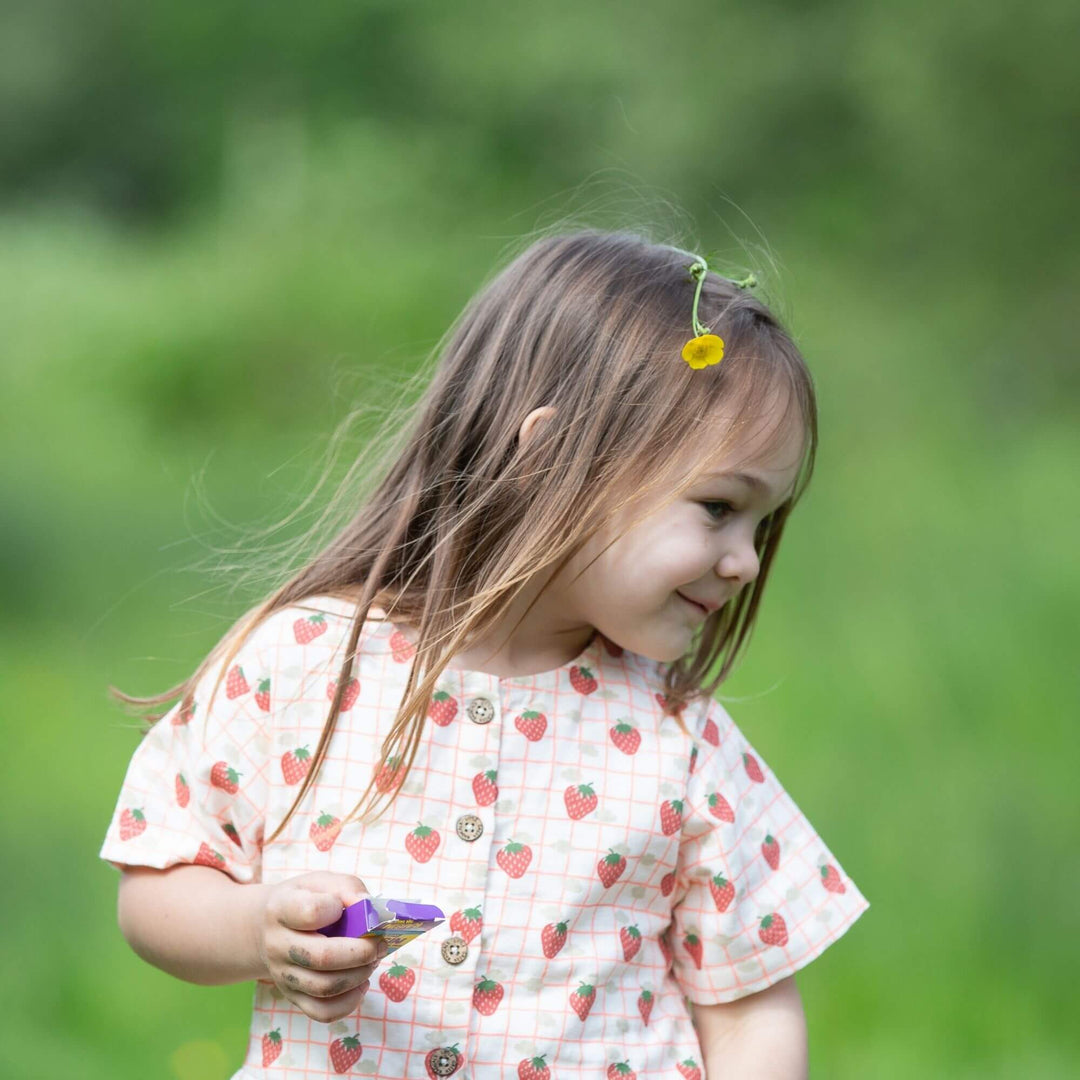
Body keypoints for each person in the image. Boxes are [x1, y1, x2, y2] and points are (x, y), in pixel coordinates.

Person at [100, 228, 870, 1079]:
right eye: (720, 507)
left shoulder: (678, 733)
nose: (747, 561)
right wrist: (259, 930)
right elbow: (161, 879)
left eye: (763, 524)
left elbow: (750, 1000)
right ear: (547, 457)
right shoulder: (305, 660)